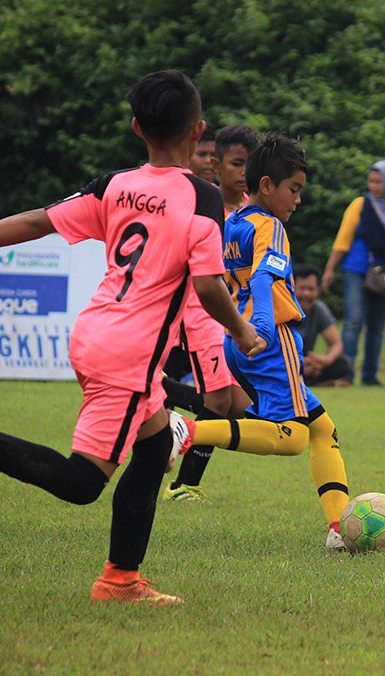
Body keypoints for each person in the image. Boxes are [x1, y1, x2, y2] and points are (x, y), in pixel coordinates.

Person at [0, 70, 265, 605]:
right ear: (198, 129)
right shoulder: (202, 198)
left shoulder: (115, 185)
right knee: (82, 482)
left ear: (138, 128)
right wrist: (243, 330)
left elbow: (35, 222)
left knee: (157, 441)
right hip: (131, 352)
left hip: (96, 331)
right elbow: (207, 286)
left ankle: (121, 580)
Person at [171, 134, 352, 551]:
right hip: (267, 339)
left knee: (323, 428)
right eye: (294, 189)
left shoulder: (234, 222)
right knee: (292, 437)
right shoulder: (271, 227)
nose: (298, 200)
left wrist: (239, 330)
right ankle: (186, 432)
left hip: (238, 338)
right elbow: (264, 279)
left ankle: (337, 529)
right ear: (267, 185)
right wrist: (265, 330)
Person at [161, 124, 261, 502]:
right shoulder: (204, 204)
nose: (243, 172)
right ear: (218, 165)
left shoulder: (254, 210)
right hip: (201, 313)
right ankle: (183, 486)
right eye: (237, 164)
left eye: (249, 165)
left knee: (240, 406)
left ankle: (156, 391)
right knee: (219, 402)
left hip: (232, 316)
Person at [321, 160, 385, 387]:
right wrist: (329, 270)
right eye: (371, 181)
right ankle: (345, 373)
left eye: (379, 182)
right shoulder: (360, 205)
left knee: (377, 327)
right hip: (356, 270)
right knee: (354, 321)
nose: (373, 186)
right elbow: (343, 239)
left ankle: (370, 375)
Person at [293, 263, 351, 387]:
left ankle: (307, 382)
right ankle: (314, 383)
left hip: (309, 365)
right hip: (285, 364)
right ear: (291, 288)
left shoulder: (318, 309)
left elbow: (337, 344)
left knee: (342, 364)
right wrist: (298, 364)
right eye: (302, 288)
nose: (306, 294)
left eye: (311, 289)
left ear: (317, 291)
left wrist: (324, 361)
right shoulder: (282, 309)